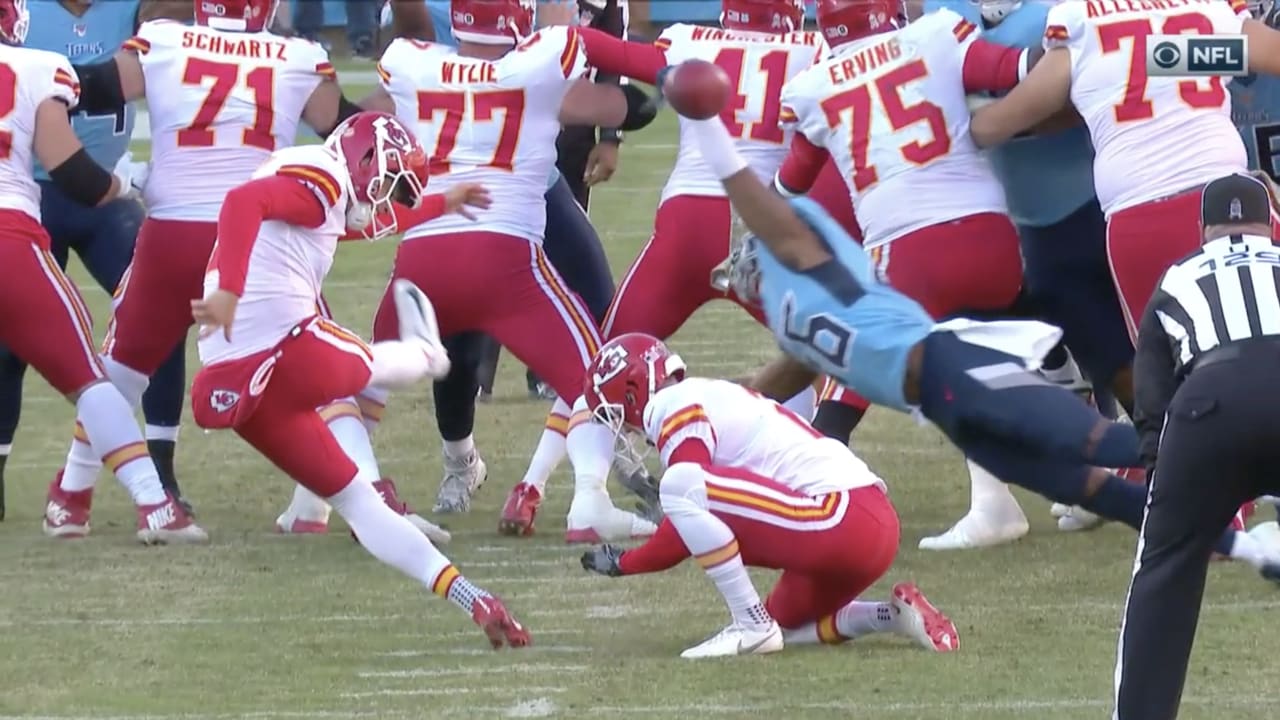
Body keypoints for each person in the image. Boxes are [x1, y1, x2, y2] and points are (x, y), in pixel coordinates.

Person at [660, 76, 1280, 574]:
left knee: (1111, 445)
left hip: (958, 370)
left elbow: (755, 199)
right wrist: (690, 407)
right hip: (948, 408)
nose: (744, 268)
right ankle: (1252, 553)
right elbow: (775, 381)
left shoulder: (813, 265)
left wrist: (709, 130)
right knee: (1094, 487)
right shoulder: (806, 321)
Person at [42, 0, 383, 537]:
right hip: (257, 239)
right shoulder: (297, 55)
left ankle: (71, 495)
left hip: (172, 230)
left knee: (122, 371)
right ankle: (357, 498)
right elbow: (345, 133)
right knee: (320, 366)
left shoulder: (163, 40)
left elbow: (95, 87)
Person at [188, 109, 528, 648]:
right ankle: (428, 355)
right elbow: (242, 203)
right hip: (284, 342)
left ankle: (472, 598)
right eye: (389, 181)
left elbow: (377, 222)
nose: (385, 196)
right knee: (370, 367)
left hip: (238, 376)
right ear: (367, 154)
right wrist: (228, 289)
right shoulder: (320, 177)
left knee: (362, 505)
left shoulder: (320, 193)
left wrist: (445, 203)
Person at [360, 0, 668, 542]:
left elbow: (371, 111)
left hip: (423, 257)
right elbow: (626, 96)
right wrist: (668, 83)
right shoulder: (540, 61)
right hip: (503, 258)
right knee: (595, 370)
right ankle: (591, 495)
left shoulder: (412, 61)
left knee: (358, 379)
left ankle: (336, 497)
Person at [773, 0, 1038, 551]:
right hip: (995, 238)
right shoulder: (939, 35)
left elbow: (794, 180)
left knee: (853, 358)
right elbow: (1014, 69)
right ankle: (1001, 498)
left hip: (910, 249)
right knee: (990, 356)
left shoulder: (814, 83)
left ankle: (814, 487)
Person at [578, 333, 959, 659]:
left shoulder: (673, 403)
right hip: (869, 524)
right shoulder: (709, 394)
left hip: (839, 515)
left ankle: (750, 625)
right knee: (787, 626)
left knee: (679, 485)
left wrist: (626, 563)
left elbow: (684, 510)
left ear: (632, 392)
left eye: (615, 415)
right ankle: (893, 616)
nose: (624, 431)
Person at [914, 0, 1137, 547]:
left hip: (1087, 202)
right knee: (975, 346)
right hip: (1008, 211)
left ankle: (1182, 466)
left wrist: (994, 122)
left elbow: (1093, 94)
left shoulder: (1062, 9)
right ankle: (994, 500)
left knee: (1120, 355)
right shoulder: (944, 10)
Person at [0, 0, 204, 543]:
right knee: (77, 371)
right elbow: (78, 176)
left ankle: (156, 470)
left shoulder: (133, 10)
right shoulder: (36, 68)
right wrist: (132, 185)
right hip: (41, 205)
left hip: (89, 207)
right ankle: (141, 501)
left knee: (158, 322)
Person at [968, 0, 1280, 340]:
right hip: (1228, 200)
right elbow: (1258, 55)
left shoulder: (1081, 19)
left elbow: (1000, 124)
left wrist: (964, 119)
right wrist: (1182, 56)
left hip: (1140, 216)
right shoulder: (1202, 11)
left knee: (1167, 369)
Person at [1113, 174, 1280, 719]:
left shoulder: (1178, 277)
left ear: (1204, 229)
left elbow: (1153, 395)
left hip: (1210, 403)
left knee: (1164, 568)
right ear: (1270, 223)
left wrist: (1169, 484)